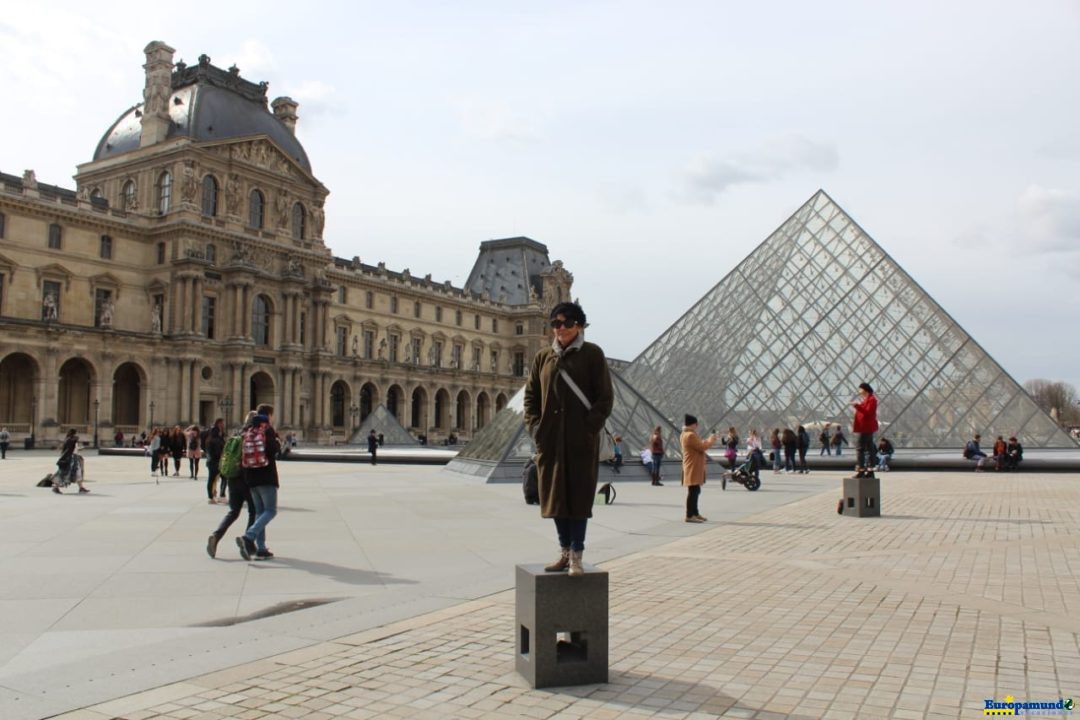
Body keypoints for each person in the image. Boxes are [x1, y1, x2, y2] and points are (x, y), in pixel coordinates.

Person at [523, 301, 613, 578]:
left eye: (566, 323)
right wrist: (535, 428)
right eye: (555, 323)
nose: (560, 329)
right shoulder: (542, 357)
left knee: (579, 500)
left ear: (579, 325)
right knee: (554, 499)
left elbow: (605, 398)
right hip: (550, 441)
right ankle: (564, 552)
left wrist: (589, 429)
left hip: (579, 441)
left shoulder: (592, 354)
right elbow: (530, 397)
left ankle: (577, 555)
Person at [207, 413, 256, 559]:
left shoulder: (236, 436)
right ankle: (247, 542)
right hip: (246, 479)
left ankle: (216, 536)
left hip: (232, 478)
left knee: (233, 512)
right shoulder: (251, 437)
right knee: (254, 511)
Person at [236, 404, 281, 561]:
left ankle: (261, 548)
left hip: (251, 477)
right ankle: (248, 537)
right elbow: (273, 450)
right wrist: (277, 442)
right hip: (266, 476)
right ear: (268, 415)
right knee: (271, 511)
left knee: (259, 512)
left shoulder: (248, 431)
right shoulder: (267, 430)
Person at [681, 415, 718, 523]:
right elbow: (702, 447)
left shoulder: (686, 434)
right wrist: (711, 439)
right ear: (693, 424)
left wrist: (706, 441)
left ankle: (695, 513)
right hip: (693, 466)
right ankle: (689, 515)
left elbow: (699, 445)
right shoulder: (690, 435)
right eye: (696, 424)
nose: (697, 426)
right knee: (693, 491)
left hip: (692, 465)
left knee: (695, 490)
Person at [851, 383, 879, 476]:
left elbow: (868, 413)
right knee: (870, 448)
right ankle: (870, 470)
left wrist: (856, 406)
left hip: (865, 427)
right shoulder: (868, 399)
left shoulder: (871, 400)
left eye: (860, 389)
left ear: (865, 389)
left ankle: (861, 470)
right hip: (865, 427)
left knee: (860, 449)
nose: (859, 392)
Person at [53, 428, 89, 494]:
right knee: (64, 473)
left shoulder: (69, 440)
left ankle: (81, 487)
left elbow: (73, 449)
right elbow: (70, 449)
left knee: (77, 473)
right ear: (74, 433)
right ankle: (56, 487)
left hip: (73, 458)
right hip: (70, 459)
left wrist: (79, 449)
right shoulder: (71, 440)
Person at [204, 418, 226, 504]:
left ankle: (210, 497)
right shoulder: (218, 440)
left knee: (211, 479)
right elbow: (219, 452)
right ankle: (222, 495)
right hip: (218, 462)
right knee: (224, 478)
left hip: (210, 462)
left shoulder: (208, 439)